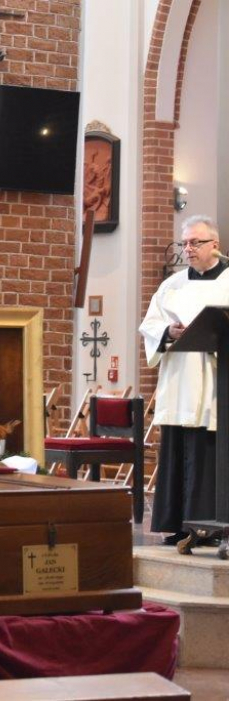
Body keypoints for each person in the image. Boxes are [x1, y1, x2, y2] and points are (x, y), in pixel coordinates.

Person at [140, 215, 229, 546]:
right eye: (185, 243)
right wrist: (168, 331)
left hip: (216, 381)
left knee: (211, 452)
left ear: (215, 245)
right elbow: (150, 325)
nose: (188, 249)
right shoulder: (172, 285)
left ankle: (213, 528)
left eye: (196, 242)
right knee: (178, 451)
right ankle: (179, 526)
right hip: (181, 381)